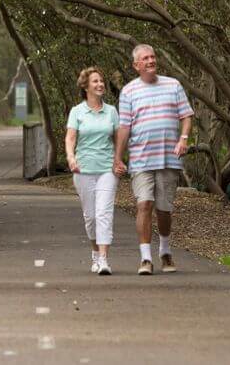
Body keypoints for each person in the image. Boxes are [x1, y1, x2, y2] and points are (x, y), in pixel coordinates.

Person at [114, 45, 193, 275]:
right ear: (136, 65)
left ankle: (165, 251)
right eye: (145, 58)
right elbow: (124, 127)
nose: (150, 61)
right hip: (140, 158)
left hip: (169, 157)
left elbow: (186, 115)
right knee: (144, 204)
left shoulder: (173, 85)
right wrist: (118, 158)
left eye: (152, 57)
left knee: (164, 209)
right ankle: (146, 258)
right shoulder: (128, 91)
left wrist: (184, 138)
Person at [65, 66, 120, 275]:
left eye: (101, 81)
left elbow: (117, 140)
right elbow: (70, 138)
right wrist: (71, 157)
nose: (100, 84)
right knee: (91, 217)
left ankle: (104, 259)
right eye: (95, 81)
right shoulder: (77, 112)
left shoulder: (112, 112)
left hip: (107, 169)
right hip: (83, 169)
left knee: (104, 213)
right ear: (86, 86)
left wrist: (118, 160)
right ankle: (95, 253)